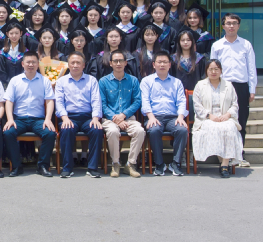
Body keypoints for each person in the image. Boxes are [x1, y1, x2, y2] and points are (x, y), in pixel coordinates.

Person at [210, 13, 257, 168]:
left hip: (241, 86)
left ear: (238, 26)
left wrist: (252, 89)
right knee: (223, 121)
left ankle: (239, 155)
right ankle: (224, 155)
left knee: (241, 120)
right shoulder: (217, 46)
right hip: (223, 86)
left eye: (234, 23)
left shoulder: (246, 45)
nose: (231, 26)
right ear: (223, 26)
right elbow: (212, 68)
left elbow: (251, 68)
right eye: (228, 23)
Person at [2, 51, 57, 177]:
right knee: (8, 133)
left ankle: (42, 166)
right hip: (19, 119)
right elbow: (9, 101)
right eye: (28, 62)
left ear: (38, 64)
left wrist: (48, 119)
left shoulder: (45, 81)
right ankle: (16, 166)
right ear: (23, 64)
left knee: (50, 133)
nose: (31, 65)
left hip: (38, 120)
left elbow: (49, 101)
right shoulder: (15, 81)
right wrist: (10, 119)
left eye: (33, 62)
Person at [192, 59, 244, 178]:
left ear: (221, 71)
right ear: (206, 71)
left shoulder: (228, 85)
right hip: (207, 118)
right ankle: (223, 161)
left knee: (229, 128)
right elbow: (197, 105)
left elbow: (235, 104)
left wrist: (227, 115)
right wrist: (209, 115)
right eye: (211, 69)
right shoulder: (200, 85)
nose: (213, 72)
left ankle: (224, 164)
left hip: (225, 117)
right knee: (213, 128)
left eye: (216, 69)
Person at [141, 50, 189, 177]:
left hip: (173, 117)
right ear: (154, 64)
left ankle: (176, 163)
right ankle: (159, 164)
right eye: (159, 62)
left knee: (182, 129)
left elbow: (181, 101)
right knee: (154, 130)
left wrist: (181, 117)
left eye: (165, 62)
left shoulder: (176, 82)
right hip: (154, 116)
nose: (162, 64)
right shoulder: (146, 81)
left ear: (169, 64)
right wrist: (151, 117)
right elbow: (145, 101)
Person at [55, 51, 103, 178]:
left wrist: (96, 118)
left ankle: (92, 168)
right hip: (69, 117)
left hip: (88, 117)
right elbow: (59, 102)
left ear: (83, 65)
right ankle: (67, 168)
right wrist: (65, 118)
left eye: (78, 63)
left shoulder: (91, 80)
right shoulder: (61, 81)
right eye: (72, 63)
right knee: (66, 129)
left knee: (97, 130)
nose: (75, 65)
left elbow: (96, 100)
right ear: (68, 65)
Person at [98, 49, 144, 178]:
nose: (118, 63)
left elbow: (137, 101)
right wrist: (116, 119)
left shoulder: (133, 80)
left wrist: (123, 115)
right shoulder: (103, 81)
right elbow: (102, 104)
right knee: (113, 131)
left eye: (121, 61)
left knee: (140, 131)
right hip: (109, 119)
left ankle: (130, 164)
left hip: (128, 118)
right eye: (115, 61)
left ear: (125, 63)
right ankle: (115, 163)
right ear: (110, 63)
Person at [0, 20, 27, 85]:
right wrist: (11, 83)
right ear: (7, 34)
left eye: (16, 33)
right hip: (6, 86)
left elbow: (27, 70)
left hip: (23, 84)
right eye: (11, 33)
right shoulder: (2, 53)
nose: (14, 36)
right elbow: (0, 71)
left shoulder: (26, 53)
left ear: (21, 33)